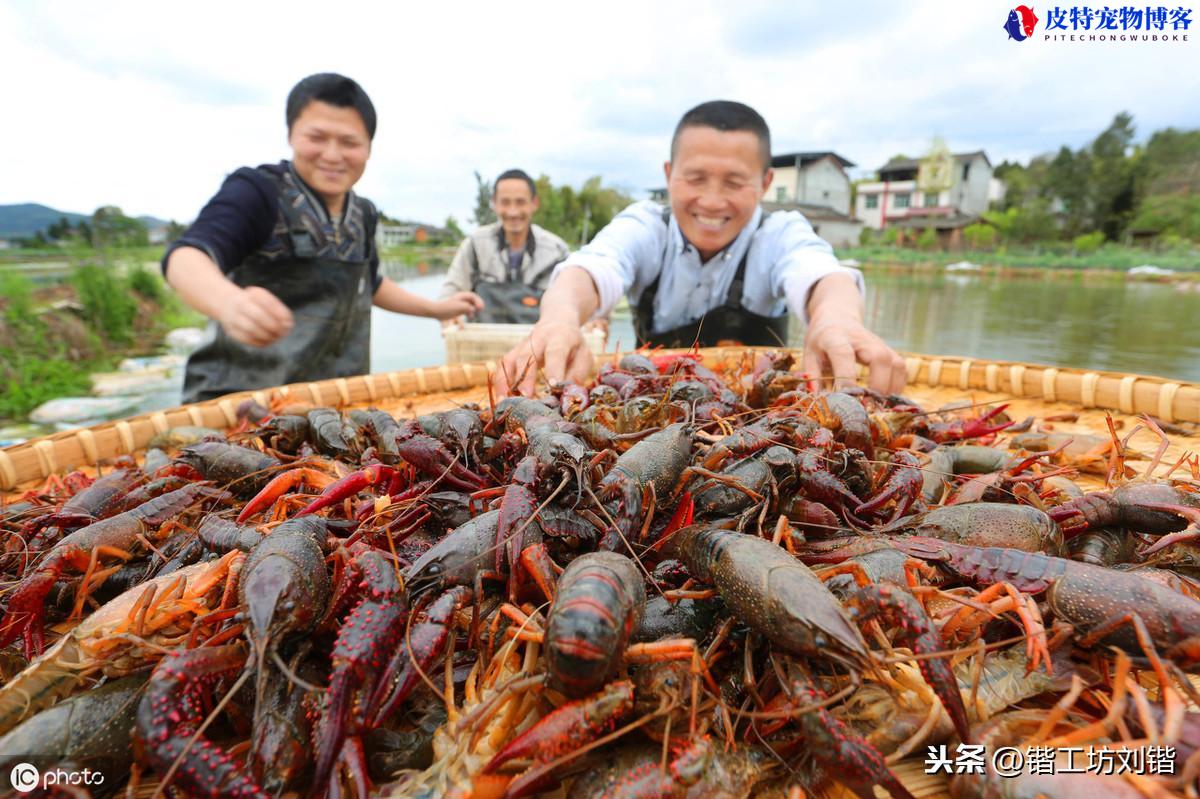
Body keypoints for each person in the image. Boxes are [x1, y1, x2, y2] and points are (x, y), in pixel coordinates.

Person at [496, 100, 906, 396]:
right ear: (669, 174)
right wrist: (560, 318)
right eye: (695, 179)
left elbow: (823, 275)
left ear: (764, 184)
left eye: (734, 182)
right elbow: (589, 269)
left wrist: (835, 319)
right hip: (652, 406)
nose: (712, 201)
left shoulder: (779, 233)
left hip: (761, 416)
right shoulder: (646, 227)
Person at [164, 73, 483, 403]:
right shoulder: (257, 192)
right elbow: (186, 256)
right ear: (291, 134)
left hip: (332, 403)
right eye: (317, 137)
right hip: (239, 402)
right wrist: (229, 302)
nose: (332, 155)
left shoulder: (363, 213)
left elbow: (369, 284)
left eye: (349, 142)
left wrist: (436, 309)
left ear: (369, 148)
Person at [439, 169, 570, 325]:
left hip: (539, 343)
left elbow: (574, 302)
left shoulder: (557, 251)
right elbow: (449, 294)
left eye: (520, 202)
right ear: (494, 203)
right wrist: (449, 315)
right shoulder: (476, 243)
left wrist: (594, 320)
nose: (513, 212)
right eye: (505, 202)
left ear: (534, 203)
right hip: (481, 343)